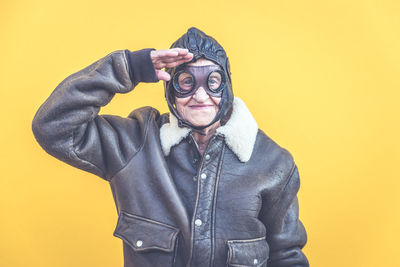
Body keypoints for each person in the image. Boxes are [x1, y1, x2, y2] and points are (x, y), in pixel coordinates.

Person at [32, 27, 309, 267]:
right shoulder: (136, 144)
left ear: (227, 87)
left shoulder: (273, 164)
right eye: (186, 82)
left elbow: (287, 257)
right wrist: (129, 68)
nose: (200, 96)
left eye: (212, 82)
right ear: (170, 91)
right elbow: (53, 126)